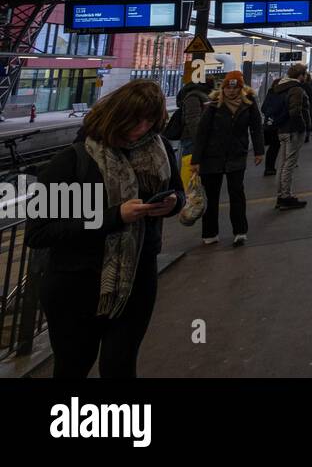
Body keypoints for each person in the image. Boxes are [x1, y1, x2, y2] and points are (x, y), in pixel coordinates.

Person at [26, 80, 184, 378]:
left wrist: (173, 203)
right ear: (116, 116)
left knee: (120, 365)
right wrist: (115, 216)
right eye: (135, 120)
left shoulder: (157, 150)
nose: (142, 128)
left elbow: (178, 191)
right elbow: (40, 232)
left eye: (150, 120)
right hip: (76, 284)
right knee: (74, 365)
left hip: (137, 277)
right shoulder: (73, 161)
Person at [193, 71, 264, 245]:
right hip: (211, 156)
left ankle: (240, 231)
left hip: (236, 155)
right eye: (228, 88)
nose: (231, 92)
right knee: (211, 196)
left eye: (235, 88)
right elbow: (202, 133)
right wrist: (196, 160)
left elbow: (256, 127)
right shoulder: (214, 105)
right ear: (223, 88)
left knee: (237, 193)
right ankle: (210, 233)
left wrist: (258, 151)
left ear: (241, 89)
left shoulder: (248, 104)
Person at [263, 64, 312, 210]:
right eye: (304, 74)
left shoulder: (279, 87)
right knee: (289, 164)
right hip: (293, 131)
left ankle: (281, 195)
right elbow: (295, 112)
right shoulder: (296, 89)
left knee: (283, 164)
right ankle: (286, 196)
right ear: (301, 75)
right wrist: (303, 127)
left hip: (282, 130)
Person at [173, 77, 212, 166]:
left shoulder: (199, 95)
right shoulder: (195, 96)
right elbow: (193, 121)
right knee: (190, 170)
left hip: (194, 139)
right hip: (192, 139)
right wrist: (199, 141)